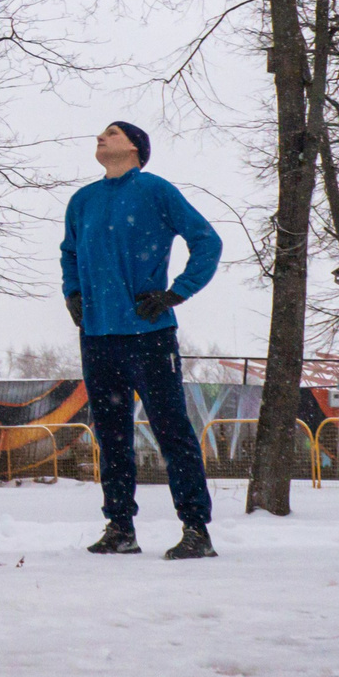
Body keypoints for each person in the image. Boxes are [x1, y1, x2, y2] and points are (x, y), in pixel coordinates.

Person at [61, 120, 223, 561]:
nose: (100, 136)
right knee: (111, 436)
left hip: (149, 334)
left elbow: (207, 241)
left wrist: (177, 292)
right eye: (99, 132)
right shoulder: (82, 201)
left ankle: (195, 529)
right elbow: (69, 252)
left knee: (172, 430)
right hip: (97, 336)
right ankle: (120, 527)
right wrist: (72, 292)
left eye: (112, 133)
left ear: (135, 148)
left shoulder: (155, 190)